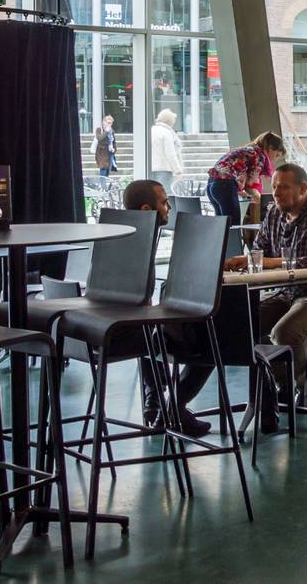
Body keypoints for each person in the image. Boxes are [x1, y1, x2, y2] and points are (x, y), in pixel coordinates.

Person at [222, 163, 307, 431]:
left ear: (303, 189)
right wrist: (246, 261)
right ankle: (279, 388)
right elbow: (260, 250)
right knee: (245, 324)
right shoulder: (275, 213)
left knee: (286, 331)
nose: (277, 193)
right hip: (289, 291)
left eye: (283, 187)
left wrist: (273, 263)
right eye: (274, 187)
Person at [122, 178, 213, 439]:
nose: (168, 208)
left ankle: (157, 403)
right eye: (164, 203)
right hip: (125, 330)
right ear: (146, 210)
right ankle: (172, 408)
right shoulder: (137, 242)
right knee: (210, 339)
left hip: (115, 328)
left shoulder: (124, 233)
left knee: (155, 329)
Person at [207, 132, 285, 227]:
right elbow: (250, 185)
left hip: (212, 184)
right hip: (225, 185)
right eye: (277, 155)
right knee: (233, 226)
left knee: (222, 226)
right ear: (270, 148)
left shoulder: (248, 150)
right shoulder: (259, 155)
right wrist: (262, 201)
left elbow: (232, 173)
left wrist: (238, 190)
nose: (275, 159)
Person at [150, 109, 183, 188]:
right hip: (164, 169)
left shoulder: (151, 130)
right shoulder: (167, 132)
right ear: (169, 120)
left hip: (151, 167)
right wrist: (178, 170)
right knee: (164, 193)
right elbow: (170, 153)